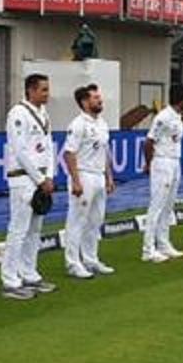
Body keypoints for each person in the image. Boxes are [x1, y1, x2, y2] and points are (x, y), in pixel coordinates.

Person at [0, 73, 58, 298]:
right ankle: (10, 279)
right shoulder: (18, 114)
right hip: (23, 178)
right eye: (43, 89)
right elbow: (20, 150)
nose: (47, 94)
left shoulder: (43, 113)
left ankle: (29, 273)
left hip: (42, 178)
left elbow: (49, 146)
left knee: (35, 229)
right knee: (19, 229)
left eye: (47, 89)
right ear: (31, 90)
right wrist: (39, 178)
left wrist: (50, 175)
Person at [63, 84, 115, 279]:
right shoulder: (78, 124)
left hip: (99, 175)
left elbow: (105, 152)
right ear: (85, 102)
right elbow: (69, 153)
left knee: (95, 220)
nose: (100, 100)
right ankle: (73, 263)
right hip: (84, 174)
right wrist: (76, 181)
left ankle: (90, 259)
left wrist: (109, 177)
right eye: (95, 98)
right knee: (77, 220)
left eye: (99, 97)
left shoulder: (102, 123)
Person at [142, 87, 183, 262]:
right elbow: (148, 142)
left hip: (174, 160)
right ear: (182, 100)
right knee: (157, 205)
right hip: (162, 160)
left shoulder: (177, 117)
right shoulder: (163, 117)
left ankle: (163, 243)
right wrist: (148, 163)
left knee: (168, 205)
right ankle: (148, 249)